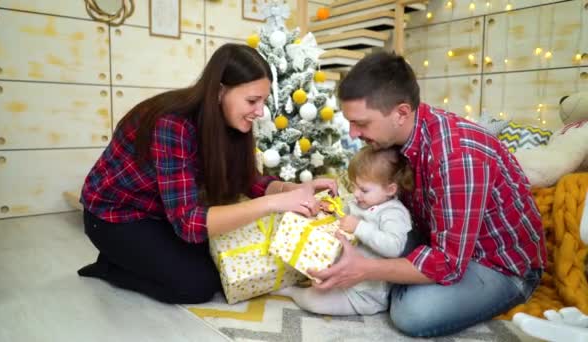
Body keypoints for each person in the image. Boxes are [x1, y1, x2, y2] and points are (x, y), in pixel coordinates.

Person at [308, 51, 546, 337]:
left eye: (362, 123)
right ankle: (394, 279)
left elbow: (448, 264)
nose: (353, 133)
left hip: (498, 265)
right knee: (355, 245)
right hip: (433, 240)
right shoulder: (395, 139)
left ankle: (393, 285)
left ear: (401, 113)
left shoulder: (456, 156)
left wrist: (366, 270)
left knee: (412, 313)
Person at [77, 43, 336, 305]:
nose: (260, 112)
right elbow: (188, 223)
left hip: (162, 211)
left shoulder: (230, 122)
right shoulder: (172, 123)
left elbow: (249, 181)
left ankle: (133, 258)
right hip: (114, 216)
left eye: (263, 101)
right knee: (196, 286)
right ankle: (110, 266)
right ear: (220, 91)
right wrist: (273, 203)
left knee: (220, 262)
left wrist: (289, 190)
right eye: (251, 100)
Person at [274, 146, 414, 316]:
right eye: (354, 186)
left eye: (363, 190)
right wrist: (332, 209)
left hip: (365, 294)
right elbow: (344, 216)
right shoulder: (362, 202)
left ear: (390, 190)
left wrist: (359, 227)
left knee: (315, 302)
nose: (355, 194)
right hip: (341, 275)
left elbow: (394, 247)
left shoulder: (393, 213)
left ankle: (293, 292)